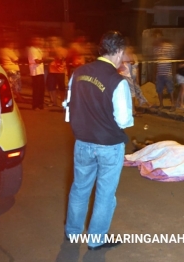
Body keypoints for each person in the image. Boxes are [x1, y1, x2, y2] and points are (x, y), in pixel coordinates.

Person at [65, 31, 134, 250]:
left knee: (79, 188)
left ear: (100, 49)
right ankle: (96, 239)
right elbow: (123, 120)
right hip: (109, 146)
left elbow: (68, 108)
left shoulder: (78, 73)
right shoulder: (117, 81)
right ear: (120, 52)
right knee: (105, 194)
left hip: (83, 142)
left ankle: (73, 232)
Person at [118, 44, 151, 116]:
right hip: (127, 75)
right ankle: (133, 111)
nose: (131, 49)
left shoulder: (130, 55)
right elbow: (130, 62)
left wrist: (137, 78)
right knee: (132, 93)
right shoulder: (125, 55)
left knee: (134, 91)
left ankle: (135, 107)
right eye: (129, 47)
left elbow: (135, 67)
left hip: (129, 76)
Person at [153, 31, 176, 111]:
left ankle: (173, 105)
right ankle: (161, 105)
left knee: (170, 89)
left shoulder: (169, 46)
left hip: (168, 72)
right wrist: (155, 73)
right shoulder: (155, 48)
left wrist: (173, 72)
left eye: (158, 37)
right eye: (156, 38)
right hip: (159, 73)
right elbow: (155, 61)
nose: (157, 39)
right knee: (159, 89)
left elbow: (174, 59)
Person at [46, 36, 68, 107]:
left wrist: (55, 50)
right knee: (51, 87)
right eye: (52, 40)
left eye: (55, 40)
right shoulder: (49, 50)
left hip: (60, 72)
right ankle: (54, 102)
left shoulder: (63, 50)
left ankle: (62, 102)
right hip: (51, 71)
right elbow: (45, 58)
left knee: (61, 88)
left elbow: (61, 57)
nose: (53, 42)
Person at [27, 36, 45, 110]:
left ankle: (40, 105)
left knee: (41, 89)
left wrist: (42, 60)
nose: (38, 42)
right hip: (35, 71)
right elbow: (37, 61)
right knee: (36, 90)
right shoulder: (32, 49)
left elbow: (42, 59)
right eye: (36, 40)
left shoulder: (38, 49)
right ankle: (35, 106)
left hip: (40, 71)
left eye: (39, 40)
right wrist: (42, 60)